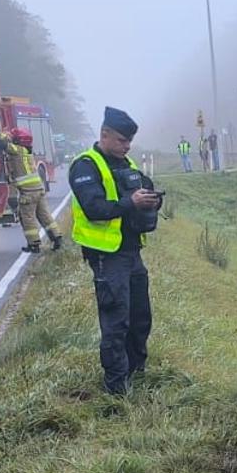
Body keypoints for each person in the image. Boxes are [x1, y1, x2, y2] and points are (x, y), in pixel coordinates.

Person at [70, 106, 163, 395]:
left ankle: (137, 372)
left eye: (130, 141)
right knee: (116, 320)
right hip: (106, 257)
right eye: (122, 140)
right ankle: (116, 388)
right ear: (105, 134)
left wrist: (152, 202)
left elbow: (144, 191)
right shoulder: (85, 165)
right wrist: (131, 203)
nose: (127, 146)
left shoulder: (129, 164)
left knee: (140, 317)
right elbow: (95, 208)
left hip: (132, 252)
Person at [3, 127, 62, 252]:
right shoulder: (27, 151)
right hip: (39, 190)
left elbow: (3, 144)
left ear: (18, 141)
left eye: (14, 139)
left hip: (28, 193)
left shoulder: (17, 150)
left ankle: (34, 244)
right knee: (45, 216)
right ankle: (57, 238)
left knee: (28, 218)